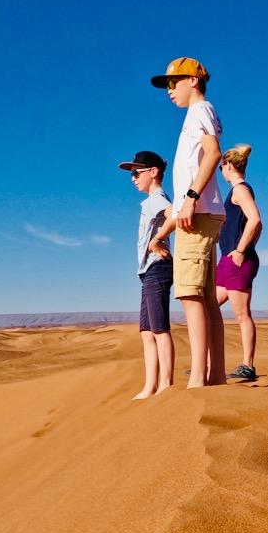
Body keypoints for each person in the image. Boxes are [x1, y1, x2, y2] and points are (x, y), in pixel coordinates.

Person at [149, 57, 226, 387]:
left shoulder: (200, 111)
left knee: (189, 293)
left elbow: (213, 153)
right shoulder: (196, 115)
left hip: (199, 212)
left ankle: (198, 379)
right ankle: (216, 374)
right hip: (198, 212)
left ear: (192, 80)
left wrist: (192, 198)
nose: (169, 90)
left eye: (173, 82)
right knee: (205, 297)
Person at [118, 150, 175, 399]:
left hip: (157, 267)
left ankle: (165, 385)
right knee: (146, 331)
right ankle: (150, 386)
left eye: (136, 172)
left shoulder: (158, 199)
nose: (133, 178)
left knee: (160, 329)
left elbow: (174, 214)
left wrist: (158, 240)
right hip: (147, 270)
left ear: (153, 172)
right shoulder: (151, 201)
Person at [216, 144, 263, 381]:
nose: (220, 171)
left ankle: (247, 366)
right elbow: (258, 226)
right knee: (208, 307)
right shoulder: (237, 191)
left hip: (236, 260)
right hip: (229, 260)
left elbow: (256, 220)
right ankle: (210, 364)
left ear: (230, 166)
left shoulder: (240, 190)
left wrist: (242, 250)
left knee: (242, 314)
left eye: (221, 166)